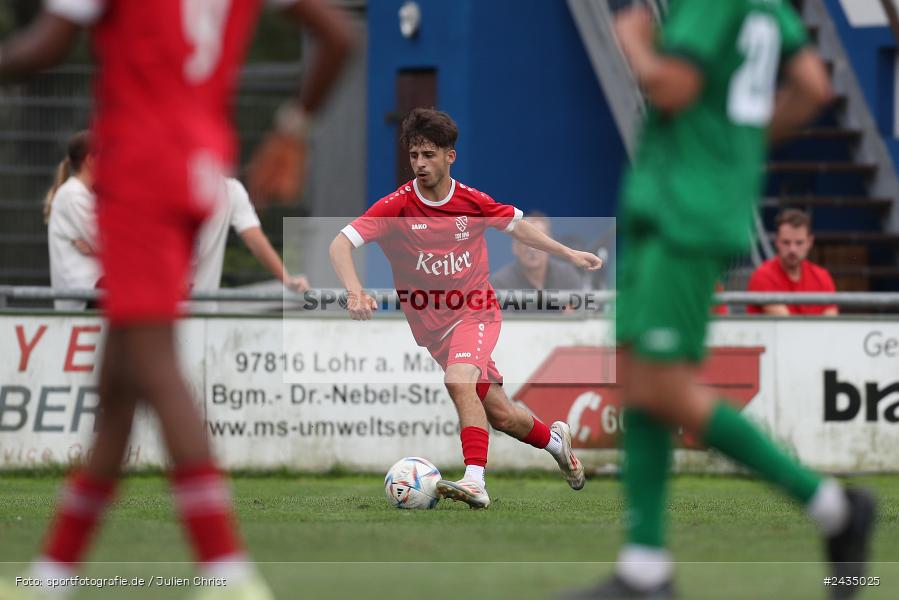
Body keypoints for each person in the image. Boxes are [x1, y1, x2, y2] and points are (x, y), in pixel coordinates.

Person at [0, 2, 352, 600]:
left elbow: (47, 45)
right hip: (198, 165)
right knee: (118, 383)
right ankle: (54, 574)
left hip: (138, 165)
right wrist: (294, 128)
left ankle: (226, 571)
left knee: (156, 366)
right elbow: (340, 36)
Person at [565, 2, 874, 598]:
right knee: (640, 380)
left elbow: (672, 85)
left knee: (659, 385)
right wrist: (740, 145)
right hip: (685, 208)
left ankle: (833, 506)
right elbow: (812, 83)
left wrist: (631, 37)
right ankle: (645, 567)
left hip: (685, 212)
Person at [330, 108, 603, 509]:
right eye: (414, 156)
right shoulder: (396, 208)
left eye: (429, 155)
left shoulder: (471, 202)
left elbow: (517, 224)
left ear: (449, 156)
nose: (420, 164)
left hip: (476, 311)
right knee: (503, 416)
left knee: (459, 380)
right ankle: (556, 443)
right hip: (432, 329)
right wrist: (354, 291)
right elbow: (340, 244)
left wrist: (569, 254)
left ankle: (475, 480)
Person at [191, 177, 310, 312]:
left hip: (199, 314)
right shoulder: (230, 191)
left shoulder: (232, 191)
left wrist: (288, 281)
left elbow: (256, 241)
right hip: (172, 310)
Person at [45, 130, 101, 311]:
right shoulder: (73, 195)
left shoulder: (89, 195)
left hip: (93, 291)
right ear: (91, 160)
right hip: (83, 296)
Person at [747, 208, 838, 316]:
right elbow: (786, 325)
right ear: (777, 241)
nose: (792, 249)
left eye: (799, 243)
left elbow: (831, 323)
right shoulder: (762, 276)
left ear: (810, 242)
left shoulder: (822, 277)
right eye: (786, 242)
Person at [490, 211, 585, 291]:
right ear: (515, 247)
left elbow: (579, 310)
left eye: (538, 243)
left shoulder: (567, 276)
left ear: (550, 246)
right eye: (526, 241)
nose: (532, 249)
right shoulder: (500, 283)